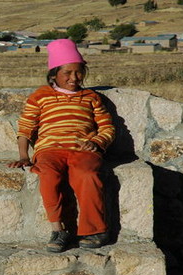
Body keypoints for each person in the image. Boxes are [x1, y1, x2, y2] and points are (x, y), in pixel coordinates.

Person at [8, 39, 115, 253]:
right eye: (67, 73)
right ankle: (58, 230)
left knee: (87, 175)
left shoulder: (90, 97)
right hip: (49, 149)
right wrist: (23, 155)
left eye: (79, 72)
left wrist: (95, 142)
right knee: (48, 175)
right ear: (54, 74)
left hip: (83, 150)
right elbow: (26, 128)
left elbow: (107, 128)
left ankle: (95, 230)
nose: (74, 78)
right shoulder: (41, 96)